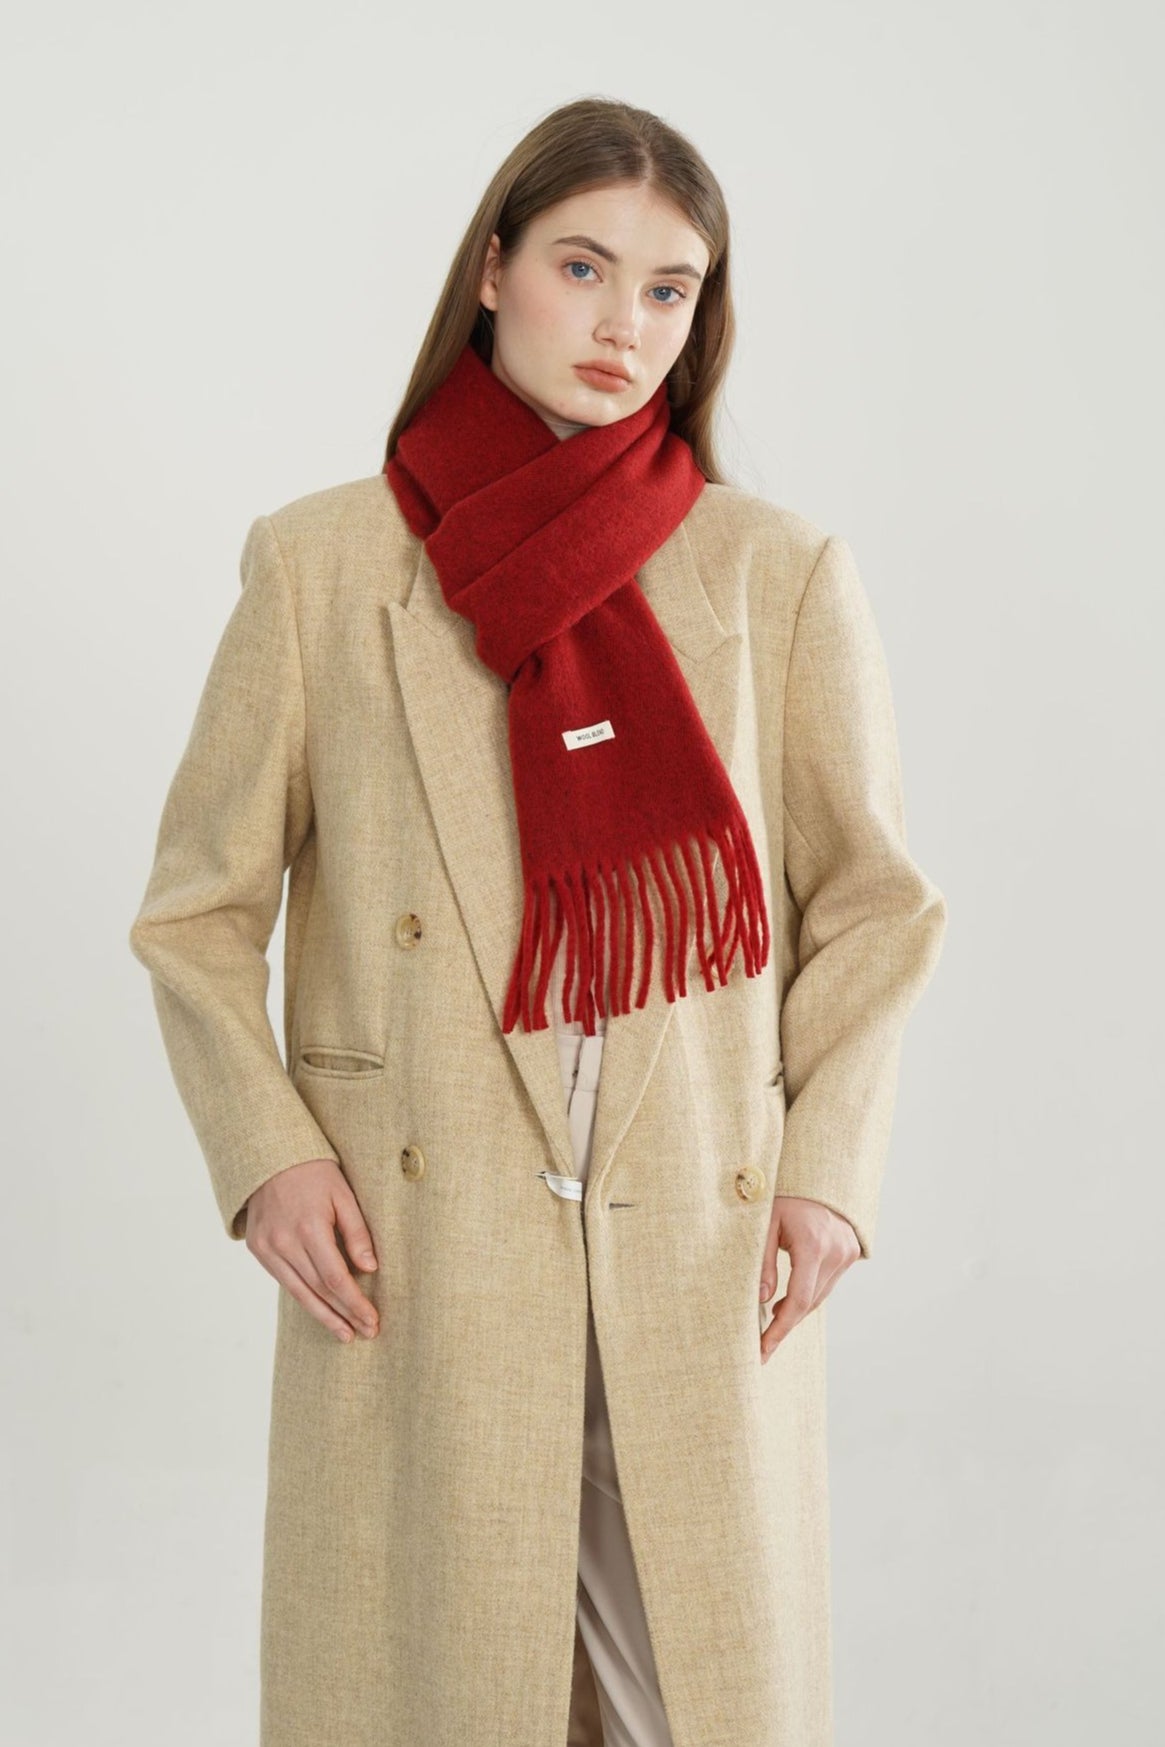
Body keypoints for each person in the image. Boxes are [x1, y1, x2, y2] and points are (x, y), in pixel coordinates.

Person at [129, 96, 947, 1747]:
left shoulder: (775, 576)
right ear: (492, 269)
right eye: (584, 267)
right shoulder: (321, 566)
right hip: (419, 1249)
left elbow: (872, 908)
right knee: (434, 1699)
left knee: (687, 1704)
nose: (623, 323)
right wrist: (266, 1156)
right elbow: (197, 912)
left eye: (668, 289)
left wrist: (826, 1179)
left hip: (698, 1239)